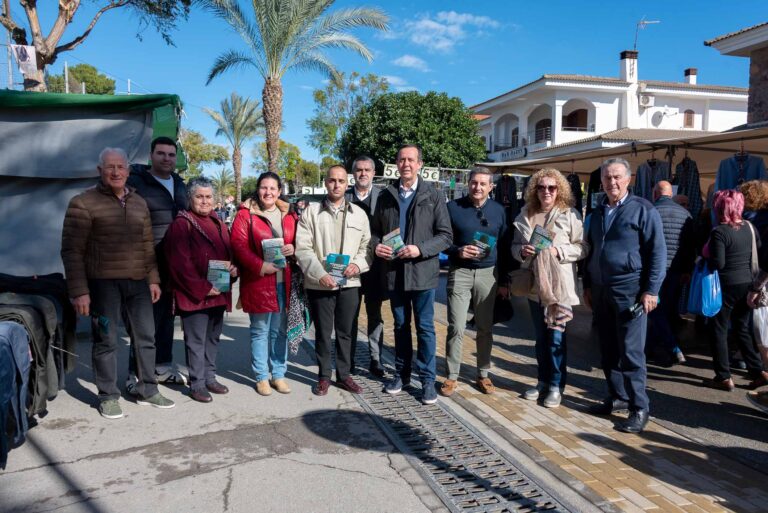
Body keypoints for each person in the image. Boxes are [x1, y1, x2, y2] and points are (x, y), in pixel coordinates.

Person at [61, 147, 175, 419]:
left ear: (128, 170)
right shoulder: (83, 202)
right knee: (106, 340)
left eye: (121, 167)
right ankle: (108, 395)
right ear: (100, 171)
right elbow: (71, 251)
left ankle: (147, 389)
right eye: (110, 167)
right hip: (102, 286)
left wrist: (154, 279)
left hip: (138, 284)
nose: (116, 172)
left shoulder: (138, 203)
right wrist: (79, 291)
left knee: (147, 338)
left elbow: (147, 245)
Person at [583, 158, 665, 434]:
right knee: (608, 350)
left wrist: (651, 290)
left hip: (629, 290)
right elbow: (591, 250)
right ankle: (617, 396)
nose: (612, 182)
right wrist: (587, 285)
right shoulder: (597, 212)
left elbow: (657, 253)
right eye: (607, 178)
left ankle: (639, 407)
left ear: (628, 180)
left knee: (631, 353)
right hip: (601, 289)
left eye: (617, 177)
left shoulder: (643, 210)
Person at [370, 144, 452, 405]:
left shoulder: (433, 195)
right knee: (401, 326)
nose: (406, 164)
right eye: (401, 159)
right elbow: (373, 232)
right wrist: (376, 246)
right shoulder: (385, 195)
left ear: (420, 165)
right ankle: (402, 374)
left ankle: (427, 380)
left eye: (411, 160)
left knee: (425, 328)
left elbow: (446, 236)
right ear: (397, 164)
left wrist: (420, 249)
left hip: (423, 274)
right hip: (394, 273)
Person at [512, 168, 588, 408]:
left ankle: (556, 386)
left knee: (556, 338)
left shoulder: (569, 214)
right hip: (535, 286)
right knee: (541, 339)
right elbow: (514, 246)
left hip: (558, 288)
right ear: (534, 189)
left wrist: (559, 251)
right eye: (541, 187)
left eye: (551, 188)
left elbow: (583, 247)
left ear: (559, 190)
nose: (546, 191)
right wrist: (521, 252)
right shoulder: (525, 214)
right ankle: (543, 381)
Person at [296, 165, 371, 396]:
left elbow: (367, 246)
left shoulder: (359, 214)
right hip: (321, 283)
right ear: (326, 183)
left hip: (350, 283)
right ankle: (324, 376)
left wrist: (357, 264)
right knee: (323, 332)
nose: (336, 185)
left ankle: (344, 375)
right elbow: (303, 248)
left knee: (346, 332)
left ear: (347, 184)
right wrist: (321, 274)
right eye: (332, 180)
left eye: (340, 181)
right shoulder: (310, 212)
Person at [164, 178, 238, 403]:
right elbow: (179, 265)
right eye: (199, 196)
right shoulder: (182, 224)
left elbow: (228, 253)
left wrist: (233, 269)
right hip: (195, 295)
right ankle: (196, 383)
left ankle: (210, 377)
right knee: (196, 341)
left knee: (212, 339)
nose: (204, 201)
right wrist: (205, 288)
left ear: (214, 200)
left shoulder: (218, 223)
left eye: (208, 197)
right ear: (190, 198)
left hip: (218, 292)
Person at [440, 166, 511, 397]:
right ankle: (451, 376)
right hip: (459, 272)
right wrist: (457, 251)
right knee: (456, 327)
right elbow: (442, 240)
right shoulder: (453, 208)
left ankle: (483, 374)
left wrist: (504, 281)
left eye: (483, 184)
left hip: (488, 275)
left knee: (485, 328)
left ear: (491, 186)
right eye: (474, 183)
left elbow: (505, 246)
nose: (477, 187)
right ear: (467, 184)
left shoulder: (499, 211)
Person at [126, 136, 188, 392]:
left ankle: (162, 368)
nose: (166, 158)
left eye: (171, 155)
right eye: (161, 153)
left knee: (166, 320)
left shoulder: (180, 184)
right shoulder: (137, 183)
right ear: (151, 155)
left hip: (174, 266)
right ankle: (136, 376)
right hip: (147, 264)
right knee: (144, 323)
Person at [231, 172, 298, 396]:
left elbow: (298, 241)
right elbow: (239, 247)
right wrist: (261, 266)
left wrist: (293, 249)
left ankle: (278, 374)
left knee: (279, 332)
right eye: (263, 187)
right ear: (257, 189)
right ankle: (261, 376)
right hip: (259, 282)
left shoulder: (289, 214)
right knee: (260, 331)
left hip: (284, 282)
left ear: (279, 191)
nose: (268, 192)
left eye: (272, 188)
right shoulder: (245, 215)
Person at [702, 189, 768, 391]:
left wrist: (707, 257)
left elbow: (718, 264)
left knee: (718, 329)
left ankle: (723, 376)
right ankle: (758, 371)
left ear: (719, 207)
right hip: (748, 284)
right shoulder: (750, 227)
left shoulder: (719, 232)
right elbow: (758, 251)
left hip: (725, 286)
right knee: (742, 328)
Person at [345, 155, 386, 377]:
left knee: (375, 315)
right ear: (353, 173)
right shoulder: (344, 196)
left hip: (375, 268)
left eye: (367, 170)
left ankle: (376, 359)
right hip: (350, 267)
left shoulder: (384, 197)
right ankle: (347, 360)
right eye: (359, 170)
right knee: (349, 315)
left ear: (373, 173)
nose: (363, 173)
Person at [648, 181, 695, 365]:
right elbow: (690, 246)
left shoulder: (650, 211)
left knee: (655, 310)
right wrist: (687, 270)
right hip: (676, 271)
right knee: (666, 309)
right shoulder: (685, 214)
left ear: (655, 194)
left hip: (655, 270)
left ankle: (671, 346)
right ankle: (654, 346)